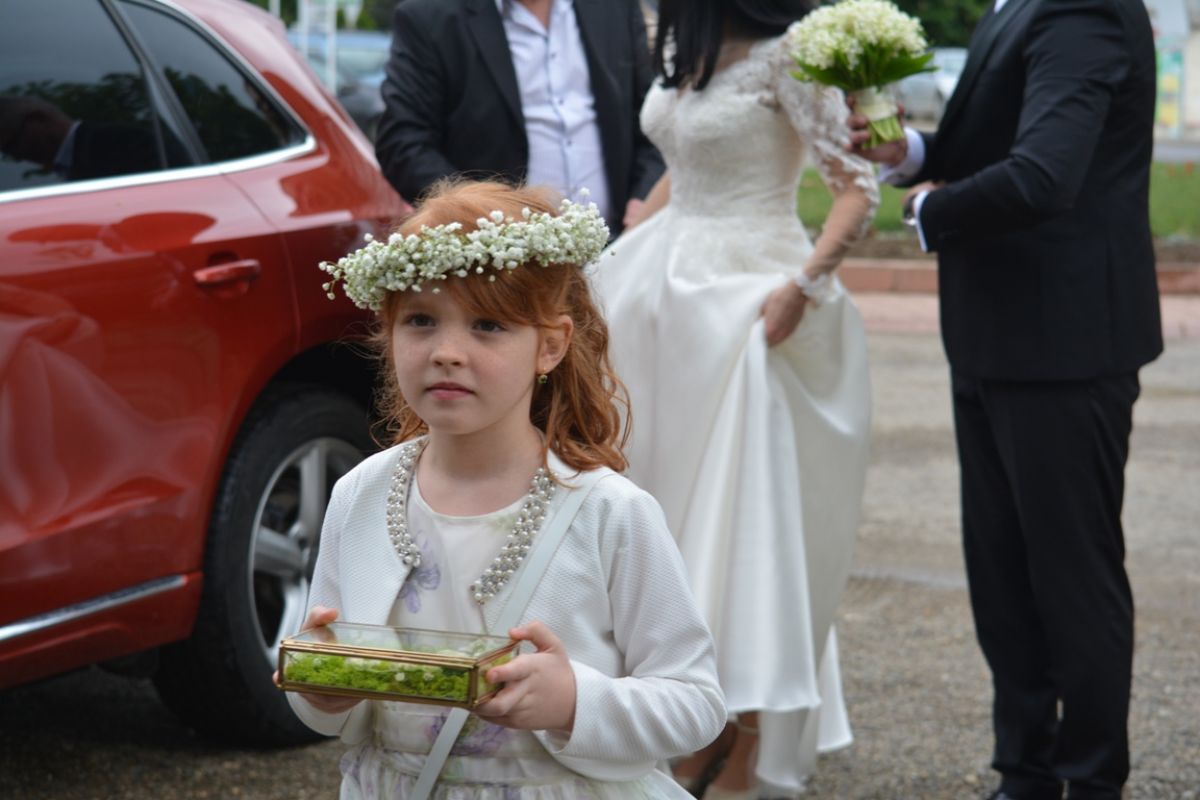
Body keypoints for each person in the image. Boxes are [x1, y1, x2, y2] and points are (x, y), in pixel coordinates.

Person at [287, 180, 726, 798]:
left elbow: (695, 702)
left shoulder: (608, 511)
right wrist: (324, 691)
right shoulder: (360, 494)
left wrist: (574, 701)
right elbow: (336, 710)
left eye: (488, 325)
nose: (447, 352)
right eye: (420, 321)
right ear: (388, 333)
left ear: (551, 346)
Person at [848, 0, 1162, 797]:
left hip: (1067, 344)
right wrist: (911, 152)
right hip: (994, 333)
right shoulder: (1013, 7)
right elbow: (995, 139)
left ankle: (1090, 781)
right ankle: (1025, 774)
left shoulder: (1083, 9)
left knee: (1071, 579)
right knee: (1003, 578)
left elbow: (1044, 176)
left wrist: (929, 209)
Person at [592, 1, 879, 797]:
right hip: (663, 300)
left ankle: (741, 730)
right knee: (671, 510)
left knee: (740, 521)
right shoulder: (689, 52)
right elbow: (685, 167)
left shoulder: (791, 57)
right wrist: (624, 243)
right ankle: (684, 712)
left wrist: (804, 287)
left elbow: (856, 191)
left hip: (748, 308)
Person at [375, 0, 664, 234]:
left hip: (620, 242)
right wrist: (477, 213)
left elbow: (653, 120)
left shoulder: (615, 7)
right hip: (502, 263)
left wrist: (644, 196)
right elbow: (403, 142)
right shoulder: (430, 17)